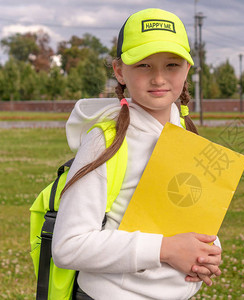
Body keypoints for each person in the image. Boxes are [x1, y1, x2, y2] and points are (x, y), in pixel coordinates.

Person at [52, 8, 222, 300]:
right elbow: (68, 246)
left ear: (188, 69)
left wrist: (206, 250)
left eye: (172, 65)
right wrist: (165, 250)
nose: (159, 78)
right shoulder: (105, 142)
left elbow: (185, 213)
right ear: (119, 71)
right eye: (143, 65)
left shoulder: (184, 130)